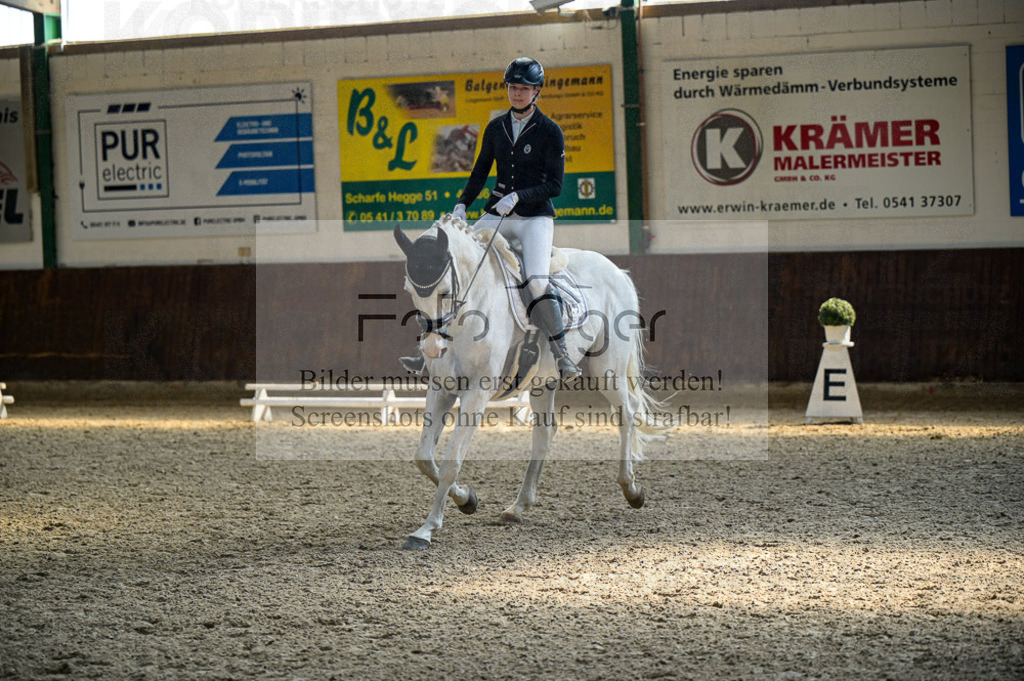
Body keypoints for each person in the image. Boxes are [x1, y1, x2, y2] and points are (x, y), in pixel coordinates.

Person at [401, 56, 580, 380]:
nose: (517, 94)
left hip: (534, 218)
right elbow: (480, 172)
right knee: (458, 264)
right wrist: (462, 205)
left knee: (536, 281)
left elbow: (555, 185)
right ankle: (431, 350)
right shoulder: (496, 128)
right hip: (498, 212)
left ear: (536, 91)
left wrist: (520, 196)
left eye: (524, 88)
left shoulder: (550, 131)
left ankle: (562, 353)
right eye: (513, 87)